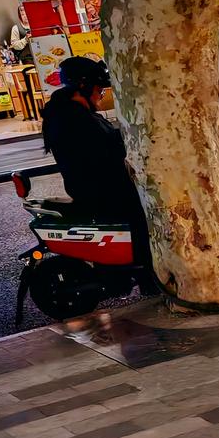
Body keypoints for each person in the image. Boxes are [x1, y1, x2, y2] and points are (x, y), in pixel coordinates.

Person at [41, 55, 152, 277]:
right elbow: (105, 155)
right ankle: (151, 272)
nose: (101, 96)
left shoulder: (69, 113)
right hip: (100, 190)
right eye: (99, 90)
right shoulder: (75, 120)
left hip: (96, 184)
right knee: (148, 213)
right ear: (83, 87)